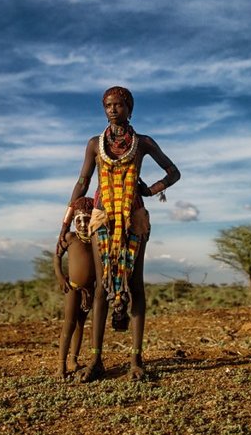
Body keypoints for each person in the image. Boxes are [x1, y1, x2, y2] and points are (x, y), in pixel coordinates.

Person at [57, 86, 180, 381]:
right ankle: (96, 360)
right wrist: (65, 222)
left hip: (133, 217)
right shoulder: (94, 145)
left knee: (135, 285)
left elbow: (173, 172)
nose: (113, 110)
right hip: (102, 216)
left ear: (130, 108)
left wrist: (150, 190)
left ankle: (136, 360)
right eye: (108, 105)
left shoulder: (143, 143)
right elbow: (83, 181)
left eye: (119, 105)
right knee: (100, 286)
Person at [53, 197, 96, 379]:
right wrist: (60, 276)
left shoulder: (95, 240)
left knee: (80, 325)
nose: (83, 224)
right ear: (73, 221)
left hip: (89, 291)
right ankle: (61, 365)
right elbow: (57, 256)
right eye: (78, 220)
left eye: (87, 219)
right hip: (72, 287)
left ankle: (73, 360)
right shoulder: (70, 238)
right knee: (69, 324)